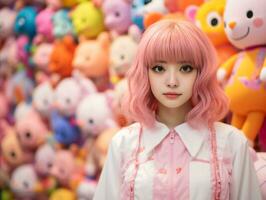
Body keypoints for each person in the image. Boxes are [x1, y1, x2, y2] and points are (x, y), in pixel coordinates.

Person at [93, 19, 261, 200]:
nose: (172, 81)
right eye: (159, 68)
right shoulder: (123, 144)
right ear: (145, 73)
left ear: (201, 72)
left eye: (185, 68)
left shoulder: (231, 142)